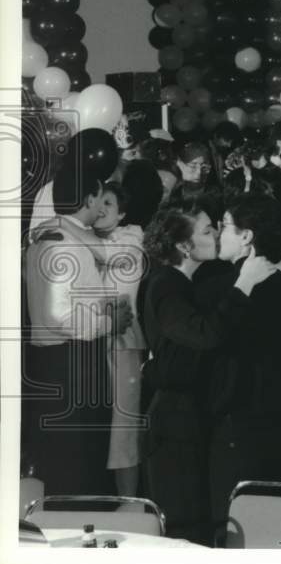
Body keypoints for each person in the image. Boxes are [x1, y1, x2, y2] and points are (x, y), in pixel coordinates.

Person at [141, 201, 272, 544]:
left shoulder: (185, 283)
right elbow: (204, 334)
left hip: (189, 417)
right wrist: (243, 283)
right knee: (185, 530)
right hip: (174, 424)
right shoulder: (165, 284)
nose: (214, 234)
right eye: (206, 231)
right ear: (183, 246)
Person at [208, 196, 281, 541]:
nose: (219, 234)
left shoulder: (224, 293)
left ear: (247, 236)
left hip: (239, 435)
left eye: (225, 226)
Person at [23, 167, 133, 496]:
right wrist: (109, 323)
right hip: (69, 364)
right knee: (76, 463)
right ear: (88, 199)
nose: (102, 207)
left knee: (73, 460)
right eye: (100, 198)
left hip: (62, 361)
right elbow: (60, 316)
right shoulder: (63, 245)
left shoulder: (58, 236)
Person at [93, 181, 147, 497]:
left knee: (123, 429)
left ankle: (130, 503)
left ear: (123, 212)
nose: (100, 208)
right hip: (94, 339)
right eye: (97, 201)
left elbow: (109, 256)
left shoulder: (130, 240)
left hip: (123, 343)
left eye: (109, 203)